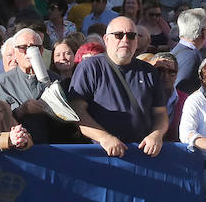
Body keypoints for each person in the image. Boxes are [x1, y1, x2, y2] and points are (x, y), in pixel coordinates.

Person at [68, 16, 169, 157]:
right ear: (106, 39)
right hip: (101, 154)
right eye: (118, 35)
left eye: (131, 35)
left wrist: (156, 135)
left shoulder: (149, 71)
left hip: (141, 154)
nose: (125, 40)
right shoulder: (90, 67)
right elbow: (77, 112)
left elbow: (161, 114)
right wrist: (104, 138)